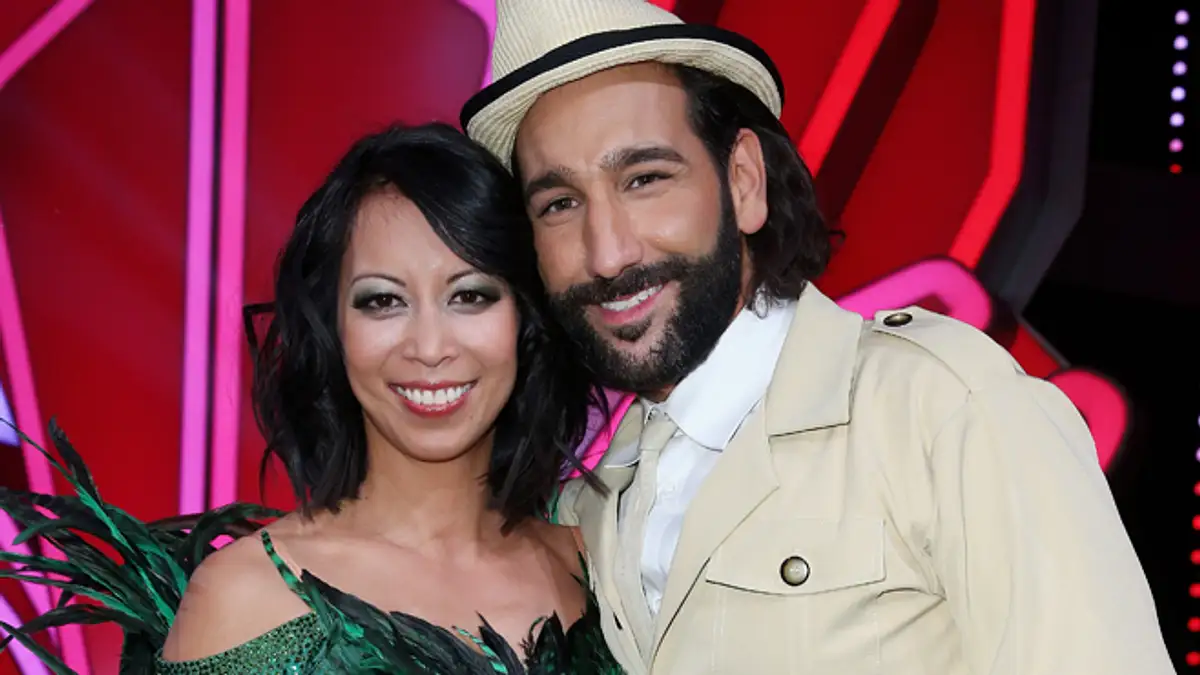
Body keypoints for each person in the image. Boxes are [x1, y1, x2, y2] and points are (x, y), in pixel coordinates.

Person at [459, 1, 1175, 673]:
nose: (608, 252)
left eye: (645, 179)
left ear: (744, 182)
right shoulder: (590, 508)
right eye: (560, 203)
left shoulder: (940, 410)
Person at [0, 123, 622, 674]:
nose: (430, 347)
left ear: (525, 320)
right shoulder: (249, 600)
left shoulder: (600, 568)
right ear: (334, 330)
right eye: (383, 301)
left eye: (470, 296)